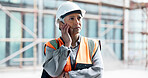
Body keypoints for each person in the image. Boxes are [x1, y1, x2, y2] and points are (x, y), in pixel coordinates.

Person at [41, 1, 104, 78]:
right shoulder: (52, 46)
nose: (77, 22)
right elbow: (54, 72)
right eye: (72, 18)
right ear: (61, 24)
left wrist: (69, 75)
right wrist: (67, 45)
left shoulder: (92, 45)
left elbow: (98, 71)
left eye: (79, 18)